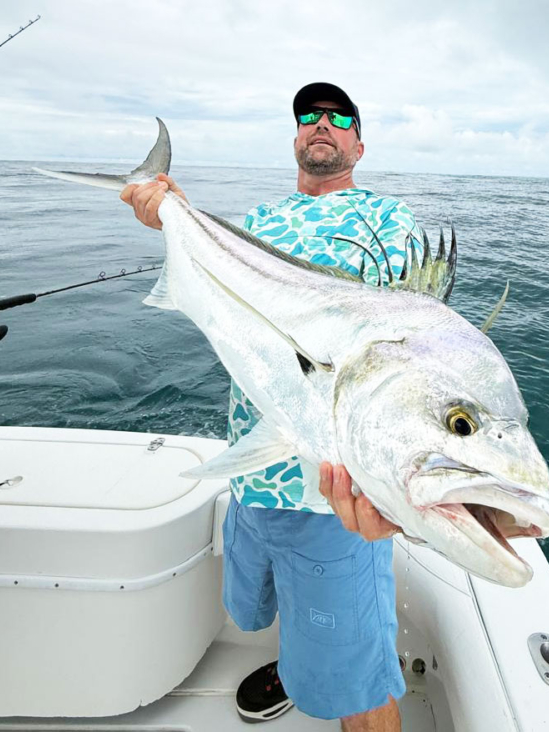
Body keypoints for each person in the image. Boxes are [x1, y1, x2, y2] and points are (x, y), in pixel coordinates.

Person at [120, 83, 424, 731]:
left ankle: (322, 674)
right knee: (260, 606)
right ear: (295, 139)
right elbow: (213, 297)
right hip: (251, 473)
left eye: (340, 117)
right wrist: (169, 215)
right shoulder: (257, 221)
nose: (322, 122)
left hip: (331, 497)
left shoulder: (389, 220)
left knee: (357, 686)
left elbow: (398, 346)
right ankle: (292, 664)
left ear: (358, 145)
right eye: (308, 116)